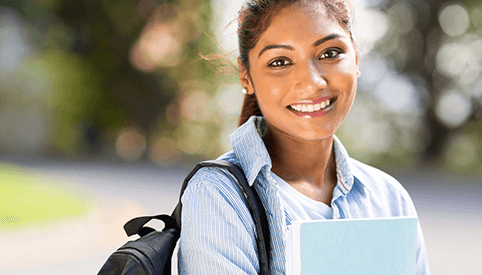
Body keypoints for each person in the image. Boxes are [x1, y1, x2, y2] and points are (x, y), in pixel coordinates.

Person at [178, 0, 431, 274]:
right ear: (246, 76)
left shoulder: (389, 199)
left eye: (330, 53)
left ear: (356, 58)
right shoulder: (218, 195)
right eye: (280, 62)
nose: (312, 82)